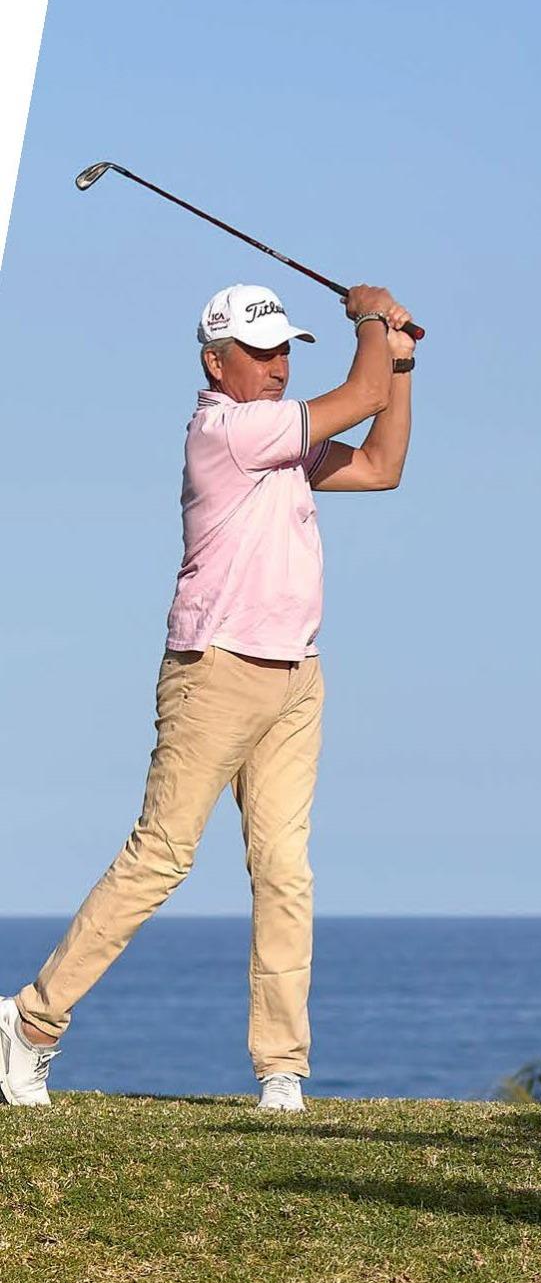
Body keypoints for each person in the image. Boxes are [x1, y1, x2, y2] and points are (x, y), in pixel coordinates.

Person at [0, 280, 416, 1112]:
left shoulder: (282, 440)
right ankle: (29, 1023)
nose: (277, 365)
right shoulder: (229, 431)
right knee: (161, 855)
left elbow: (381, 467)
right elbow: (359, 394)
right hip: (216, 671)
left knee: (285, 871)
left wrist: (399, 362)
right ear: (215, 362)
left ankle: (282, 1070)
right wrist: (372, 316)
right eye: (259, 352)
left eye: (284, 349)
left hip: (295, 675)